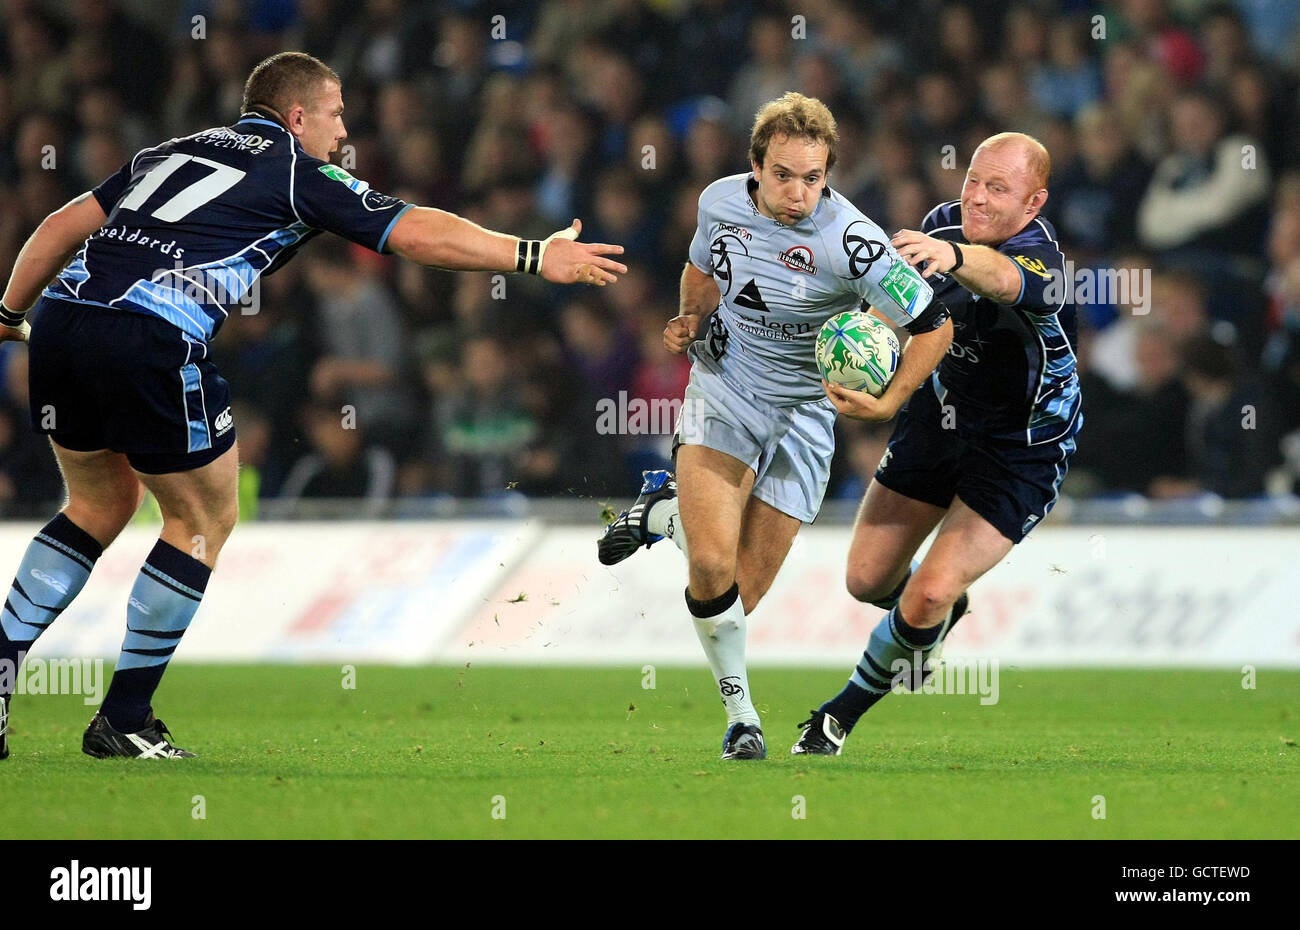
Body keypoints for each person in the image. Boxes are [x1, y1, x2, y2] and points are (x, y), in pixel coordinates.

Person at [0, 51, 625, 761]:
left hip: (60, 322)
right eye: (335, 113)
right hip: (151, 332)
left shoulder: (170, 150)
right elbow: (412, 230)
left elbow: (59, 224)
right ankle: (126, 716)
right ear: (297, 116)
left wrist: (9, 311)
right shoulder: (299, 172)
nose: (343, 130)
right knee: (203, 514)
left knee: (97, 504)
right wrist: (534, 257)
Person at [598, 92, 953, 760]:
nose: (798, 193)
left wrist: (887, 401)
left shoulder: (855, 244)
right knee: (709, 567)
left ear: (829, 174)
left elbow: (934, 325)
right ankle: (742, 720)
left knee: (741, 593)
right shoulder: (718, 202)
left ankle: (656, 515)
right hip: (727, 388)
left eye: (813, 178)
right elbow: (702, 269)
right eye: (784, 175)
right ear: (755, 167)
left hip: (808, 418)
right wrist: (690, 318)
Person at [792, 131, 1082, 755]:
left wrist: (950, 258)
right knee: (867, 581)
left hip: (1021, 446)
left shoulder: (1044, 258)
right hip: (941, 416)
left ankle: (836, 717)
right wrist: (865, 342)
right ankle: (934, 615)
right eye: (973, 180)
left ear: (1034, 203)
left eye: (997, 189)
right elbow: (916, 312)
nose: (975, 198)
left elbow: (1004, 280)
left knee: (924, 597)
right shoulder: (940, 227)